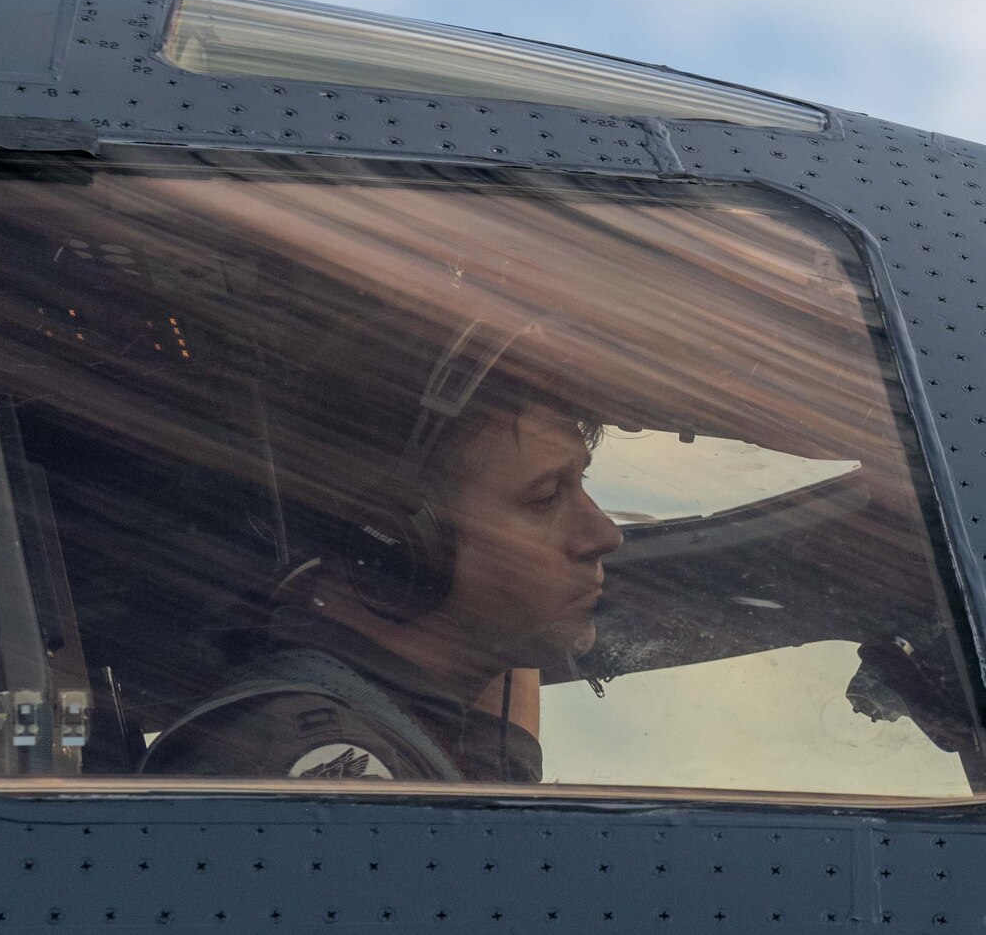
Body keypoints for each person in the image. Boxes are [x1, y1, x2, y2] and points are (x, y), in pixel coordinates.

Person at [142, 319, 625, 783]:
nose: (605, 533)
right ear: (403, 541)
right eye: (545, 496)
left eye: (580, 482)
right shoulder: (318, 760)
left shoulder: (424, 730)